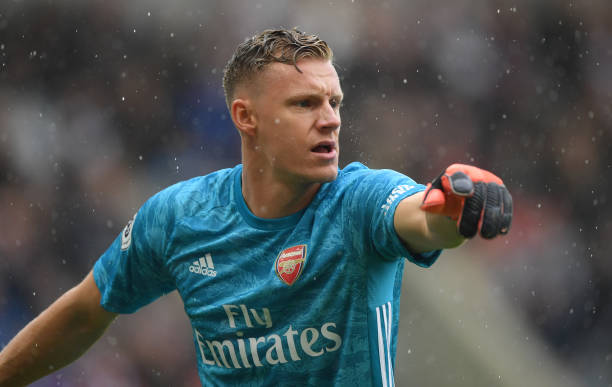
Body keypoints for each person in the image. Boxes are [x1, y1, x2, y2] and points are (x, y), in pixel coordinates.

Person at [0, 28, 512, 386]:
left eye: (334, 102)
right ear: (246, 118)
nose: (331, 119)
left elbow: (424, 218)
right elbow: (86, 312)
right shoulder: (179, 217)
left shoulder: (359, 201)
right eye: (305, 104)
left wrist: (457, 205)